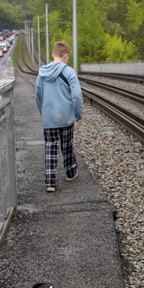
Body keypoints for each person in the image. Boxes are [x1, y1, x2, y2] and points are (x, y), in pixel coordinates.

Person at [35, 41, 83, 192]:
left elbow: (38, 96)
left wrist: (44, 114)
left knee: (50, 148)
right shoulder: (69, 72)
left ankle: (50, 182)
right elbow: (76, 96)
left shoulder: (42, 73)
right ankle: (70, 172)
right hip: (65, 117)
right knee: (66, 146)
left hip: (49, 118)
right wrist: (78, 114)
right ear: (66, 55)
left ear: (52, 54)